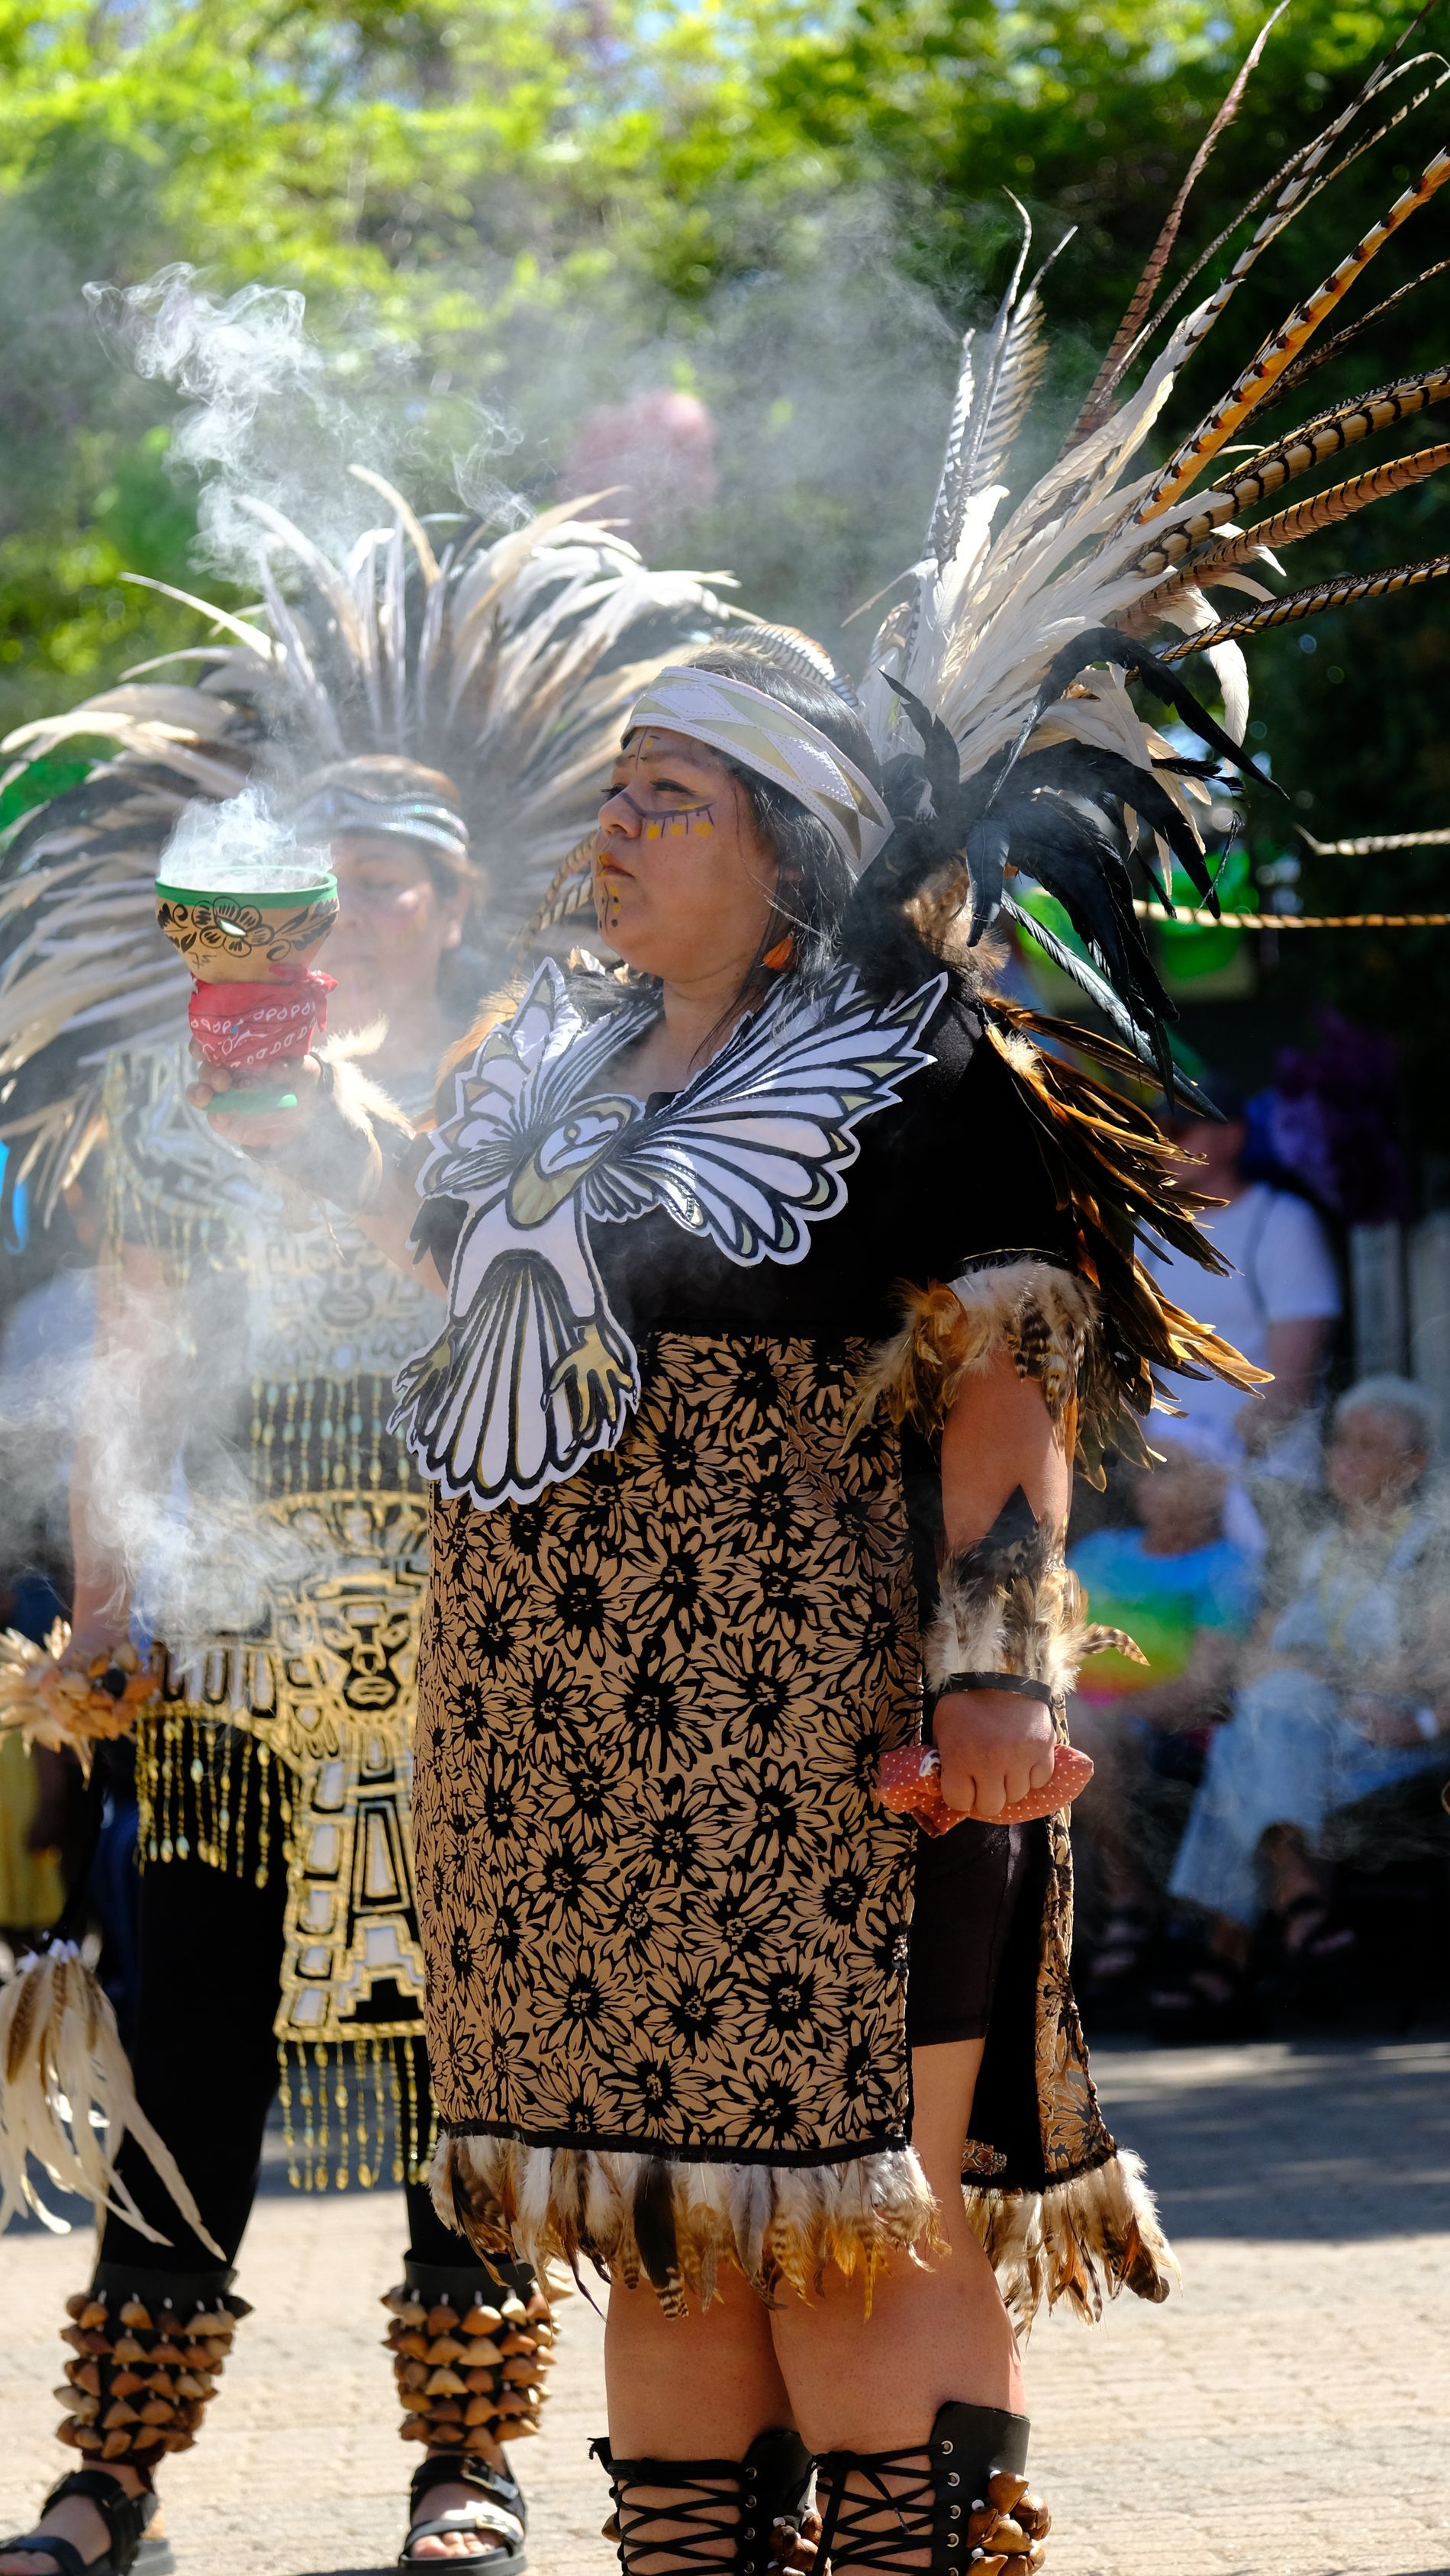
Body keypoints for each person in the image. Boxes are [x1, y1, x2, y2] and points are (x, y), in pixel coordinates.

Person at [211, 630, 1261, 2574]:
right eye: (615, 790)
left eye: (668, 799)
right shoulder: (543, 1047)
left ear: (786, 849)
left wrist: (997, 1677)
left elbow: (1009, 1374)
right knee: (669, 2236)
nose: (613, 825)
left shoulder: (919, 1064)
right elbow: (432, 1238)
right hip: (549, 1767)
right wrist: (269, 1071)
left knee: (855, 2226)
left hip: (820, 1753)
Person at [0, 493, 735, 2576]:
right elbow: (135, 1371)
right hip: (233, 1638)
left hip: (456, 1630)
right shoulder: (180, 1104)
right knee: (187, 2045)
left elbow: (560, 1339)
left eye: (396, 883)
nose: (363, 913)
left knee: (461, 2066)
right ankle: (111, 2471)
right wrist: (106, 1605)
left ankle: (466, 2462)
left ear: (454, 900)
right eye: (329, 884)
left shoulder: (541, 1086)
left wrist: (352, 1169)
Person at [1154, 1377, 1450, 2036]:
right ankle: (1300, 1903)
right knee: (1272, 1711)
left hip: (1392, 1739)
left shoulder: (1433, 1549)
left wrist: (1413, 1719)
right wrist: (1307, 1682)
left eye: (1370, 1445)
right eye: (1341, 1441)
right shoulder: (1310, 1548)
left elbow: (1432, 1666)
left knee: (1248, 1739)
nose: (1347, 1456)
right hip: (1309, 1735)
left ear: (1414, 1465)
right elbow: (1252, 1663)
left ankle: (1233, 1949)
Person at [1068, 1435, 1260, 2008]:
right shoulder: (1098, 1553)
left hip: (1170, 1729)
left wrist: (1114, 1711)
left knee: (1079, 1734)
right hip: (1079, 1717)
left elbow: (1205, 1681)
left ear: (1216, 1485)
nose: (1147, 1480)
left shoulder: (1229, 1567)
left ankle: (1126, 1893)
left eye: (1169, 1469)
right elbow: (1044, 1643)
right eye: (1145, 1469)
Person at [1144, 1076, 1342, 1498]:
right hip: (1169, 1487)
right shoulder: (1148, 1231)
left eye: (1177, 1131)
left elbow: (1292, 1382)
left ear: (1232, 1138)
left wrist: (1210, 1464)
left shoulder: (1284, 1223)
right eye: (1154, 1132)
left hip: (1267, 1483)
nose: (1162, 1145)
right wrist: (1154, 1466)